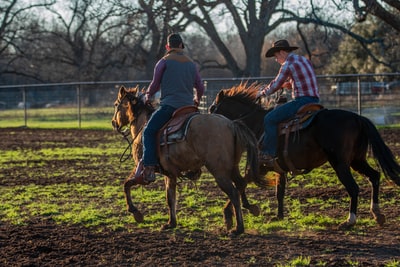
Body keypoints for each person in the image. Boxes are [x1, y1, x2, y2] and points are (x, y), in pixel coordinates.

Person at [141, 33, 205, 183]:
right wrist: (197, 99)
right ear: (182, 46)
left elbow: (155, 84)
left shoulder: (163, 62)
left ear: (167, 47)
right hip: (189, 108)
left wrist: (147, 96)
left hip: (170, 107)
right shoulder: (191, 64)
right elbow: (200, 86)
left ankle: (149, 167)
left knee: (148, 131)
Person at [257, 39, 320, 167]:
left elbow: (275, 84)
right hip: (315, 99)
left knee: (269, 119)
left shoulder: (287, 64)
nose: (276, 59)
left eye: (276, 56)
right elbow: (304, 80)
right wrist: (290, 85)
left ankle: (268, 153)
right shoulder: (303, 60)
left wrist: (262, 93)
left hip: (302, 100)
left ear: (281, 52)